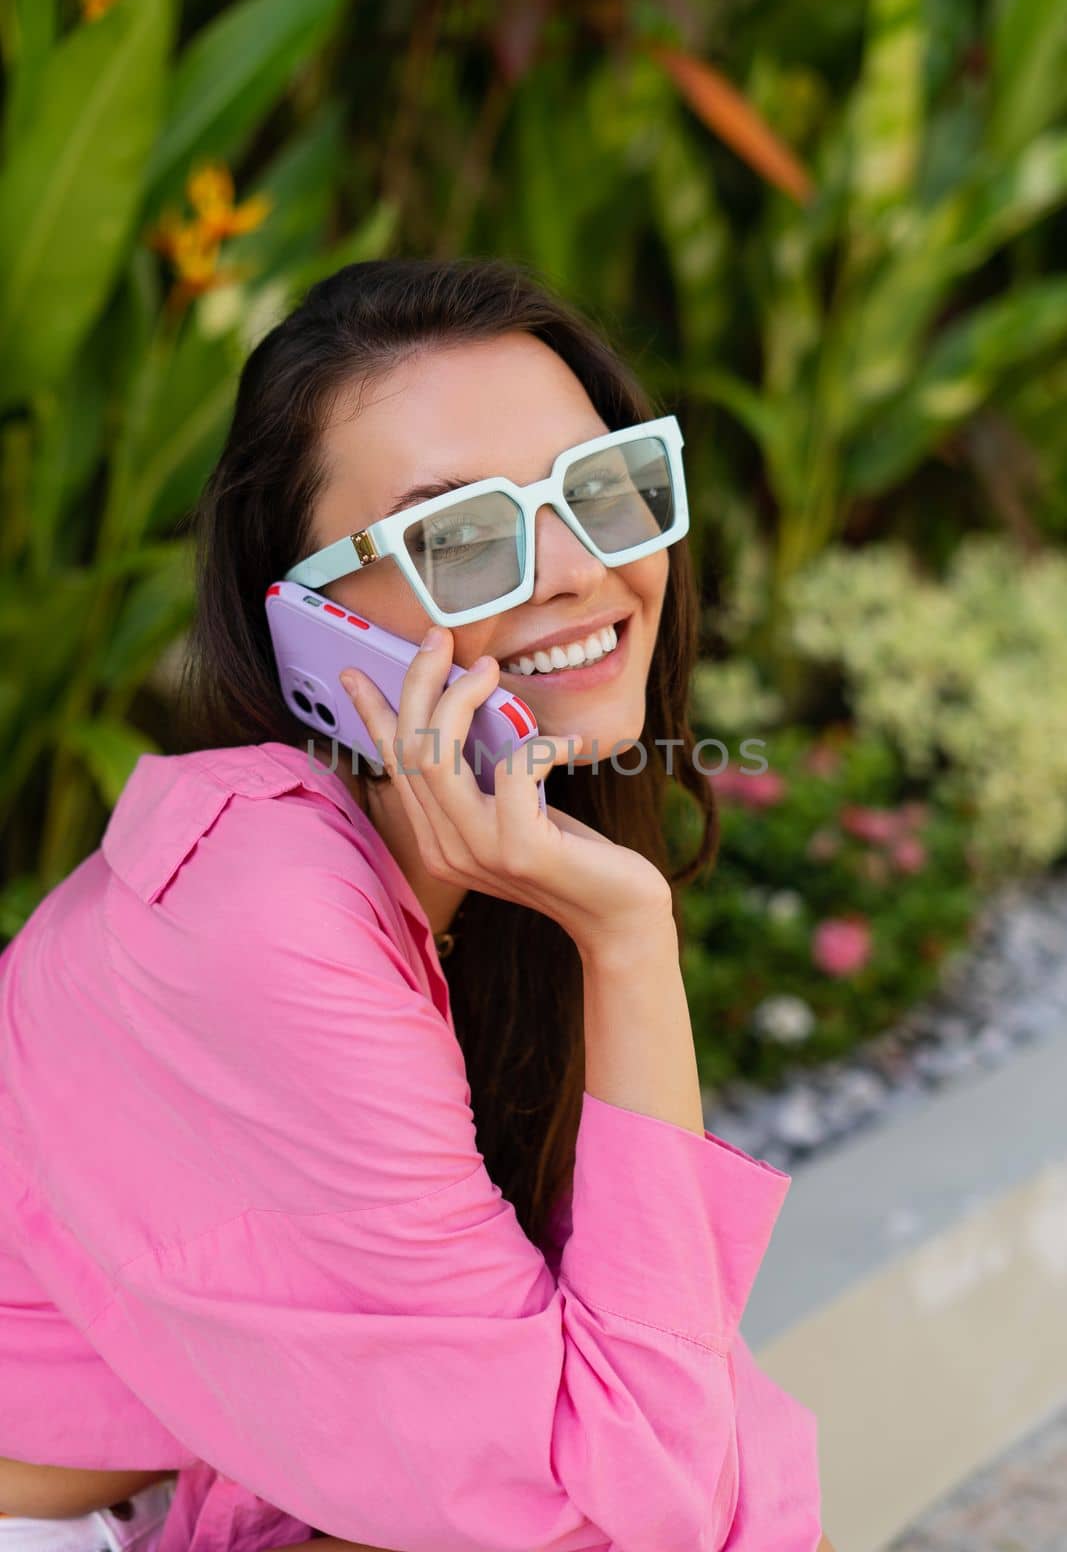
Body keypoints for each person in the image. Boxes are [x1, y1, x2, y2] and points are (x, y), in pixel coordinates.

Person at [0, 258, 831, 1551]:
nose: (572, 572)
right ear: (311, 624)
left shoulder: (477, 854)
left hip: (243, 1462)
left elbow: (660, 1428)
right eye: (458, 537)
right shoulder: (261, 911)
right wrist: (626, 937)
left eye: (600, 488)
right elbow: (624, 1496)